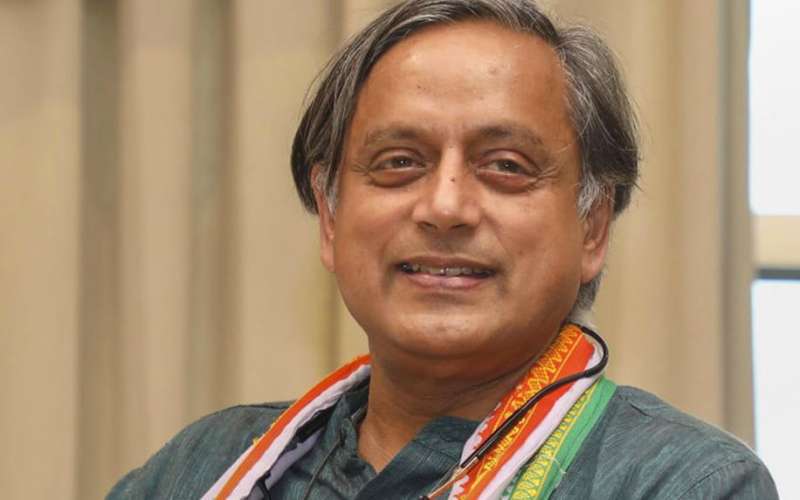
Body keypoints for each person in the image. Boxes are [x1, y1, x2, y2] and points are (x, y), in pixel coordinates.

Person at [108, 1, 778, 498]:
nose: (445, 206)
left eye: (507, 166)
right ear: (331, 218)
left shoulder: (682, 482)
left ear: (593, 228)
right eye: (399, 162)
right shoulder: (204, 467)